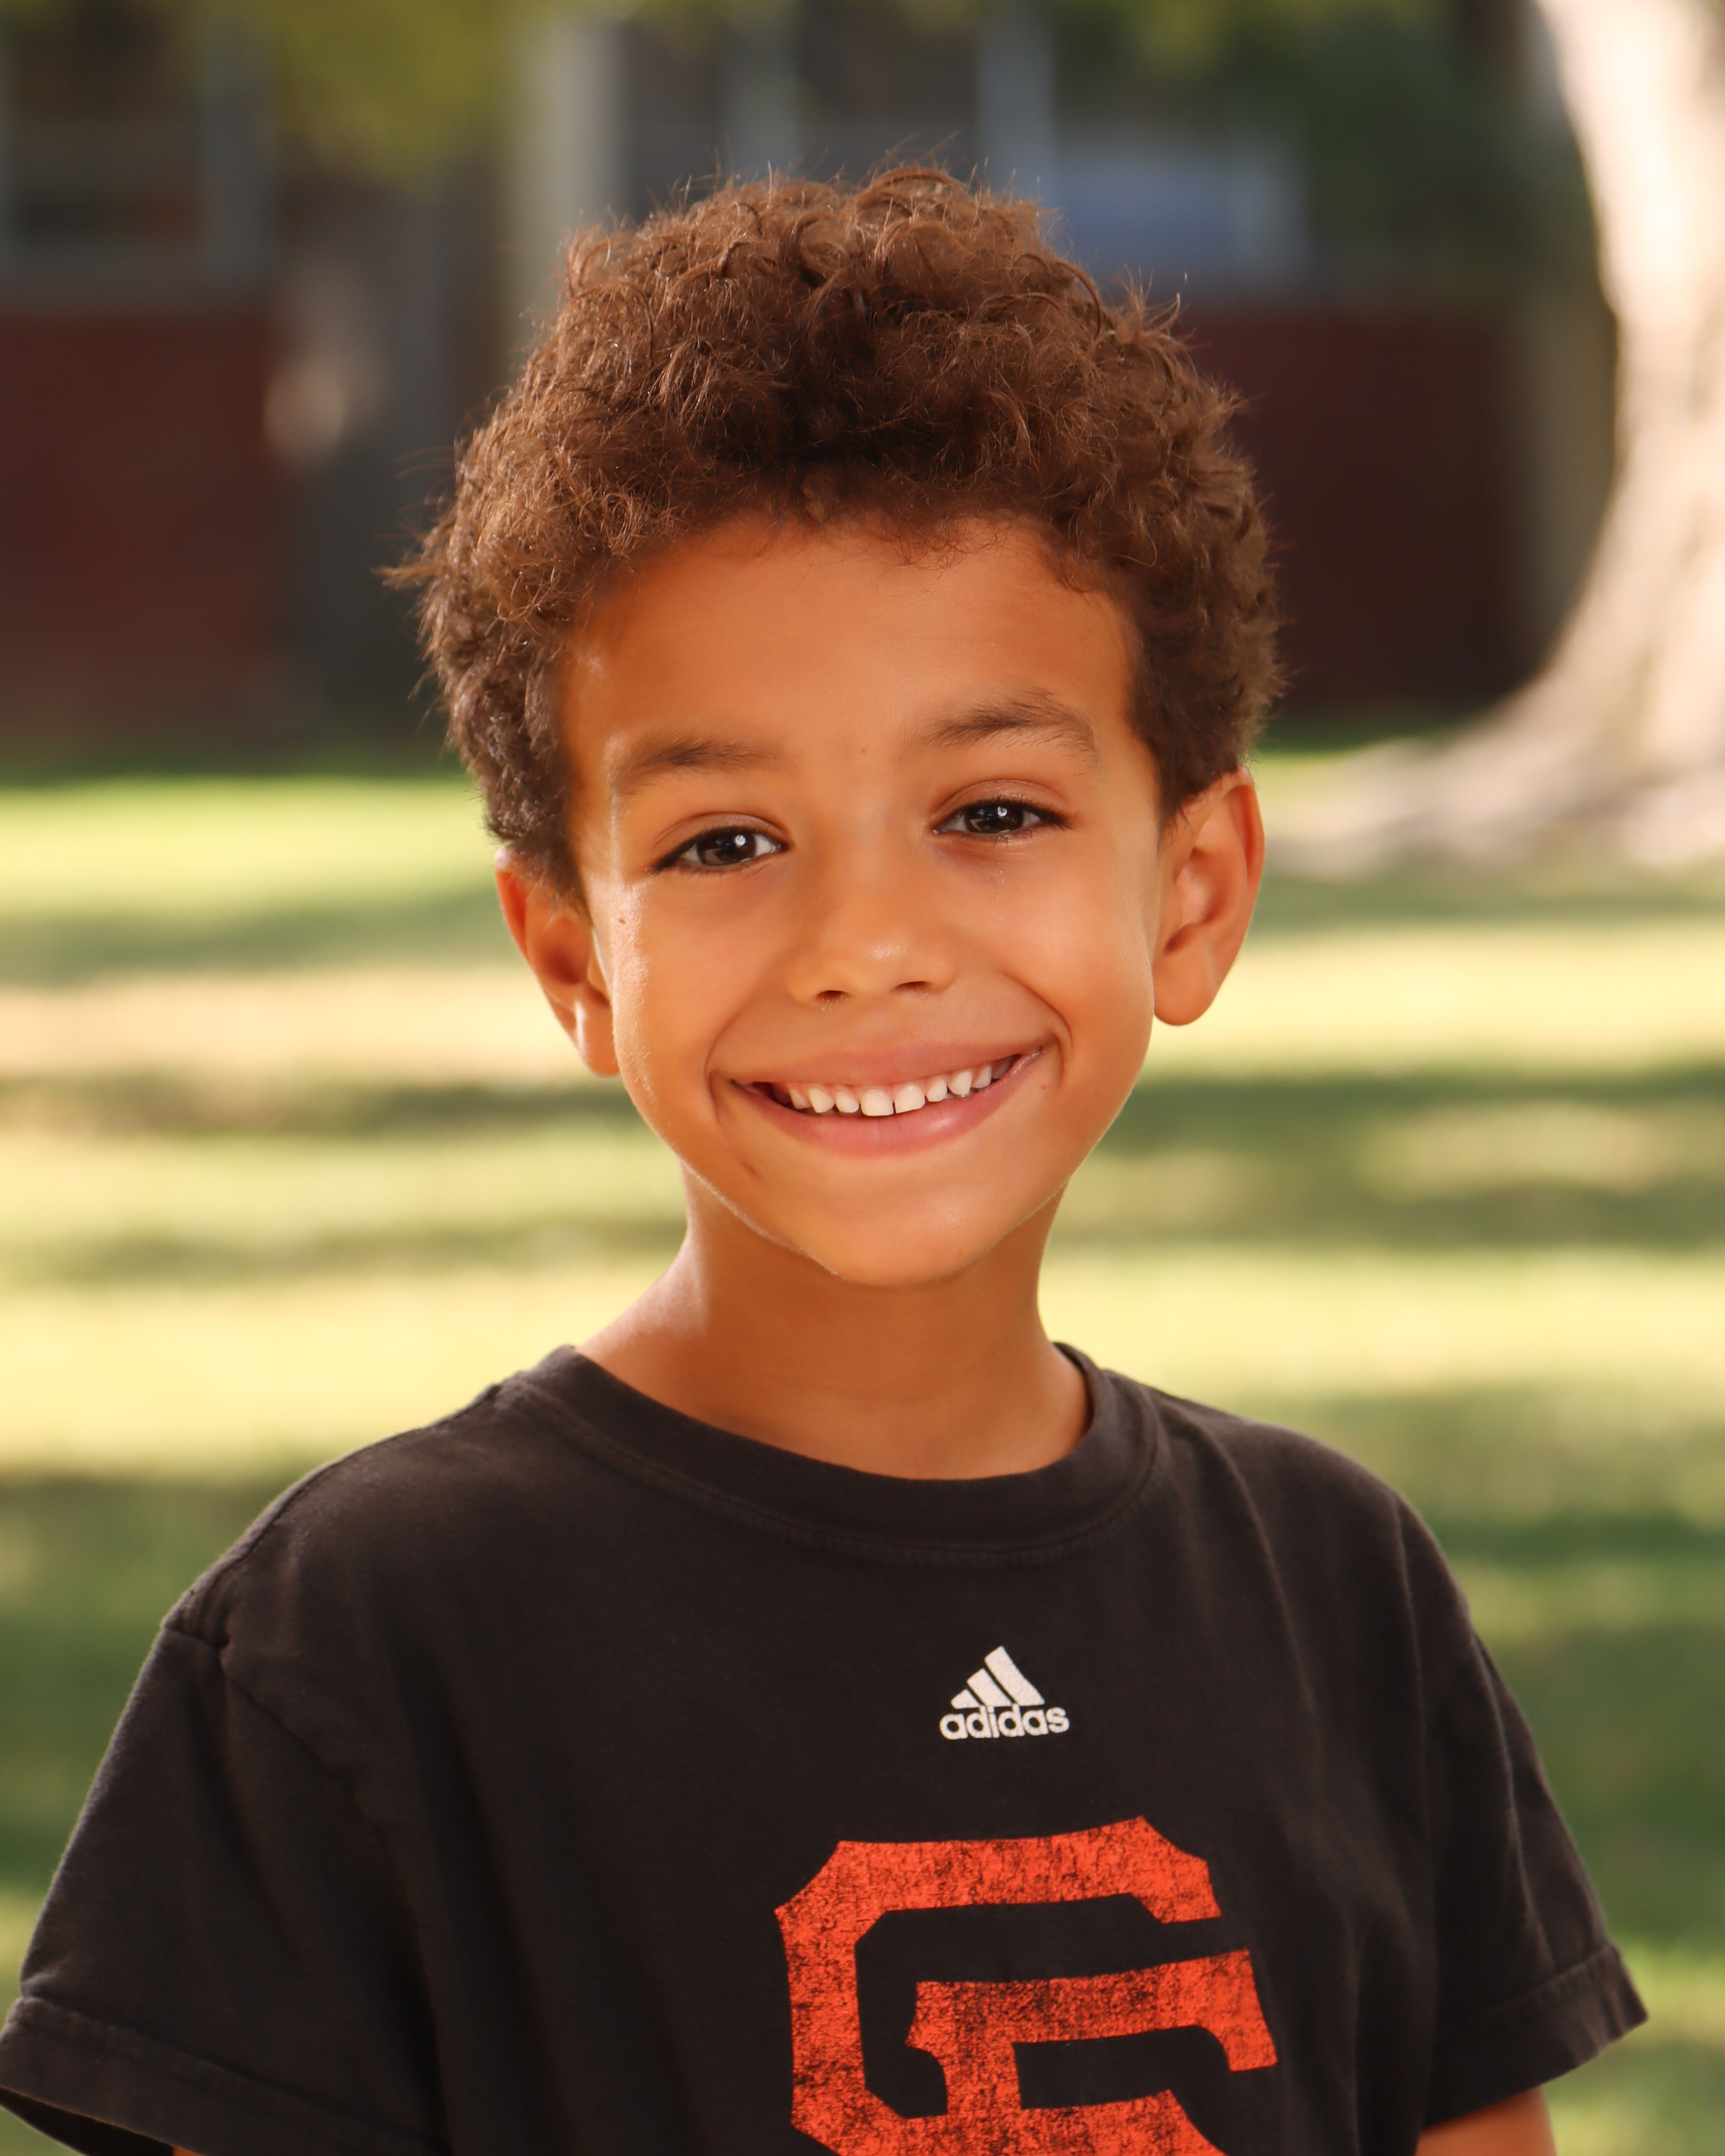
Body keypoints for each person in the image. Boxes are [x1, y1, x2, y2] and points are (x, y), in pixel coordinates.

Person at [0, 170, 1641, 2156]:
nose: (868, 943)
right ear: (572, 959)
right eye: (725, 843)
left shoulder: (1337, 1594)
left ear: (1194, 892)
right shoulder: (357, 1646)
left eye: (994, 810)